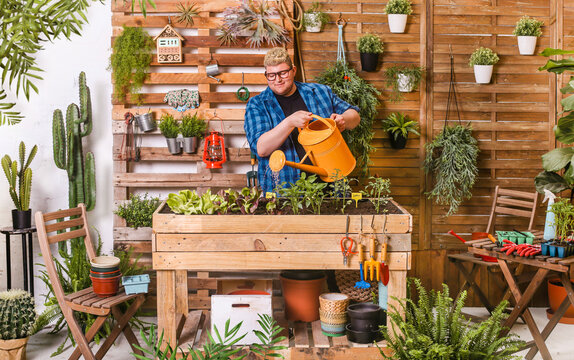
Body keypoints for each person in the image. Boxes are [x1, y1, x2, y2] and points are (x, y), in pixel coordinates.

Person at [244, 47, 360, 193]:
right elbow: (261, 148)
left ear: (293, 70)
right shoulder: (258, 104)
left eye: (283, 73)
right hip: (286, 189)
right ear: (266, 75)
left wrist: (344, 119)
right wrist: (289, 122)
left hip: (333, 184)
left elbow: (354, 115)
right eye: (271, 75)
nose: (278, 79)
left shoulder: (319, 92)